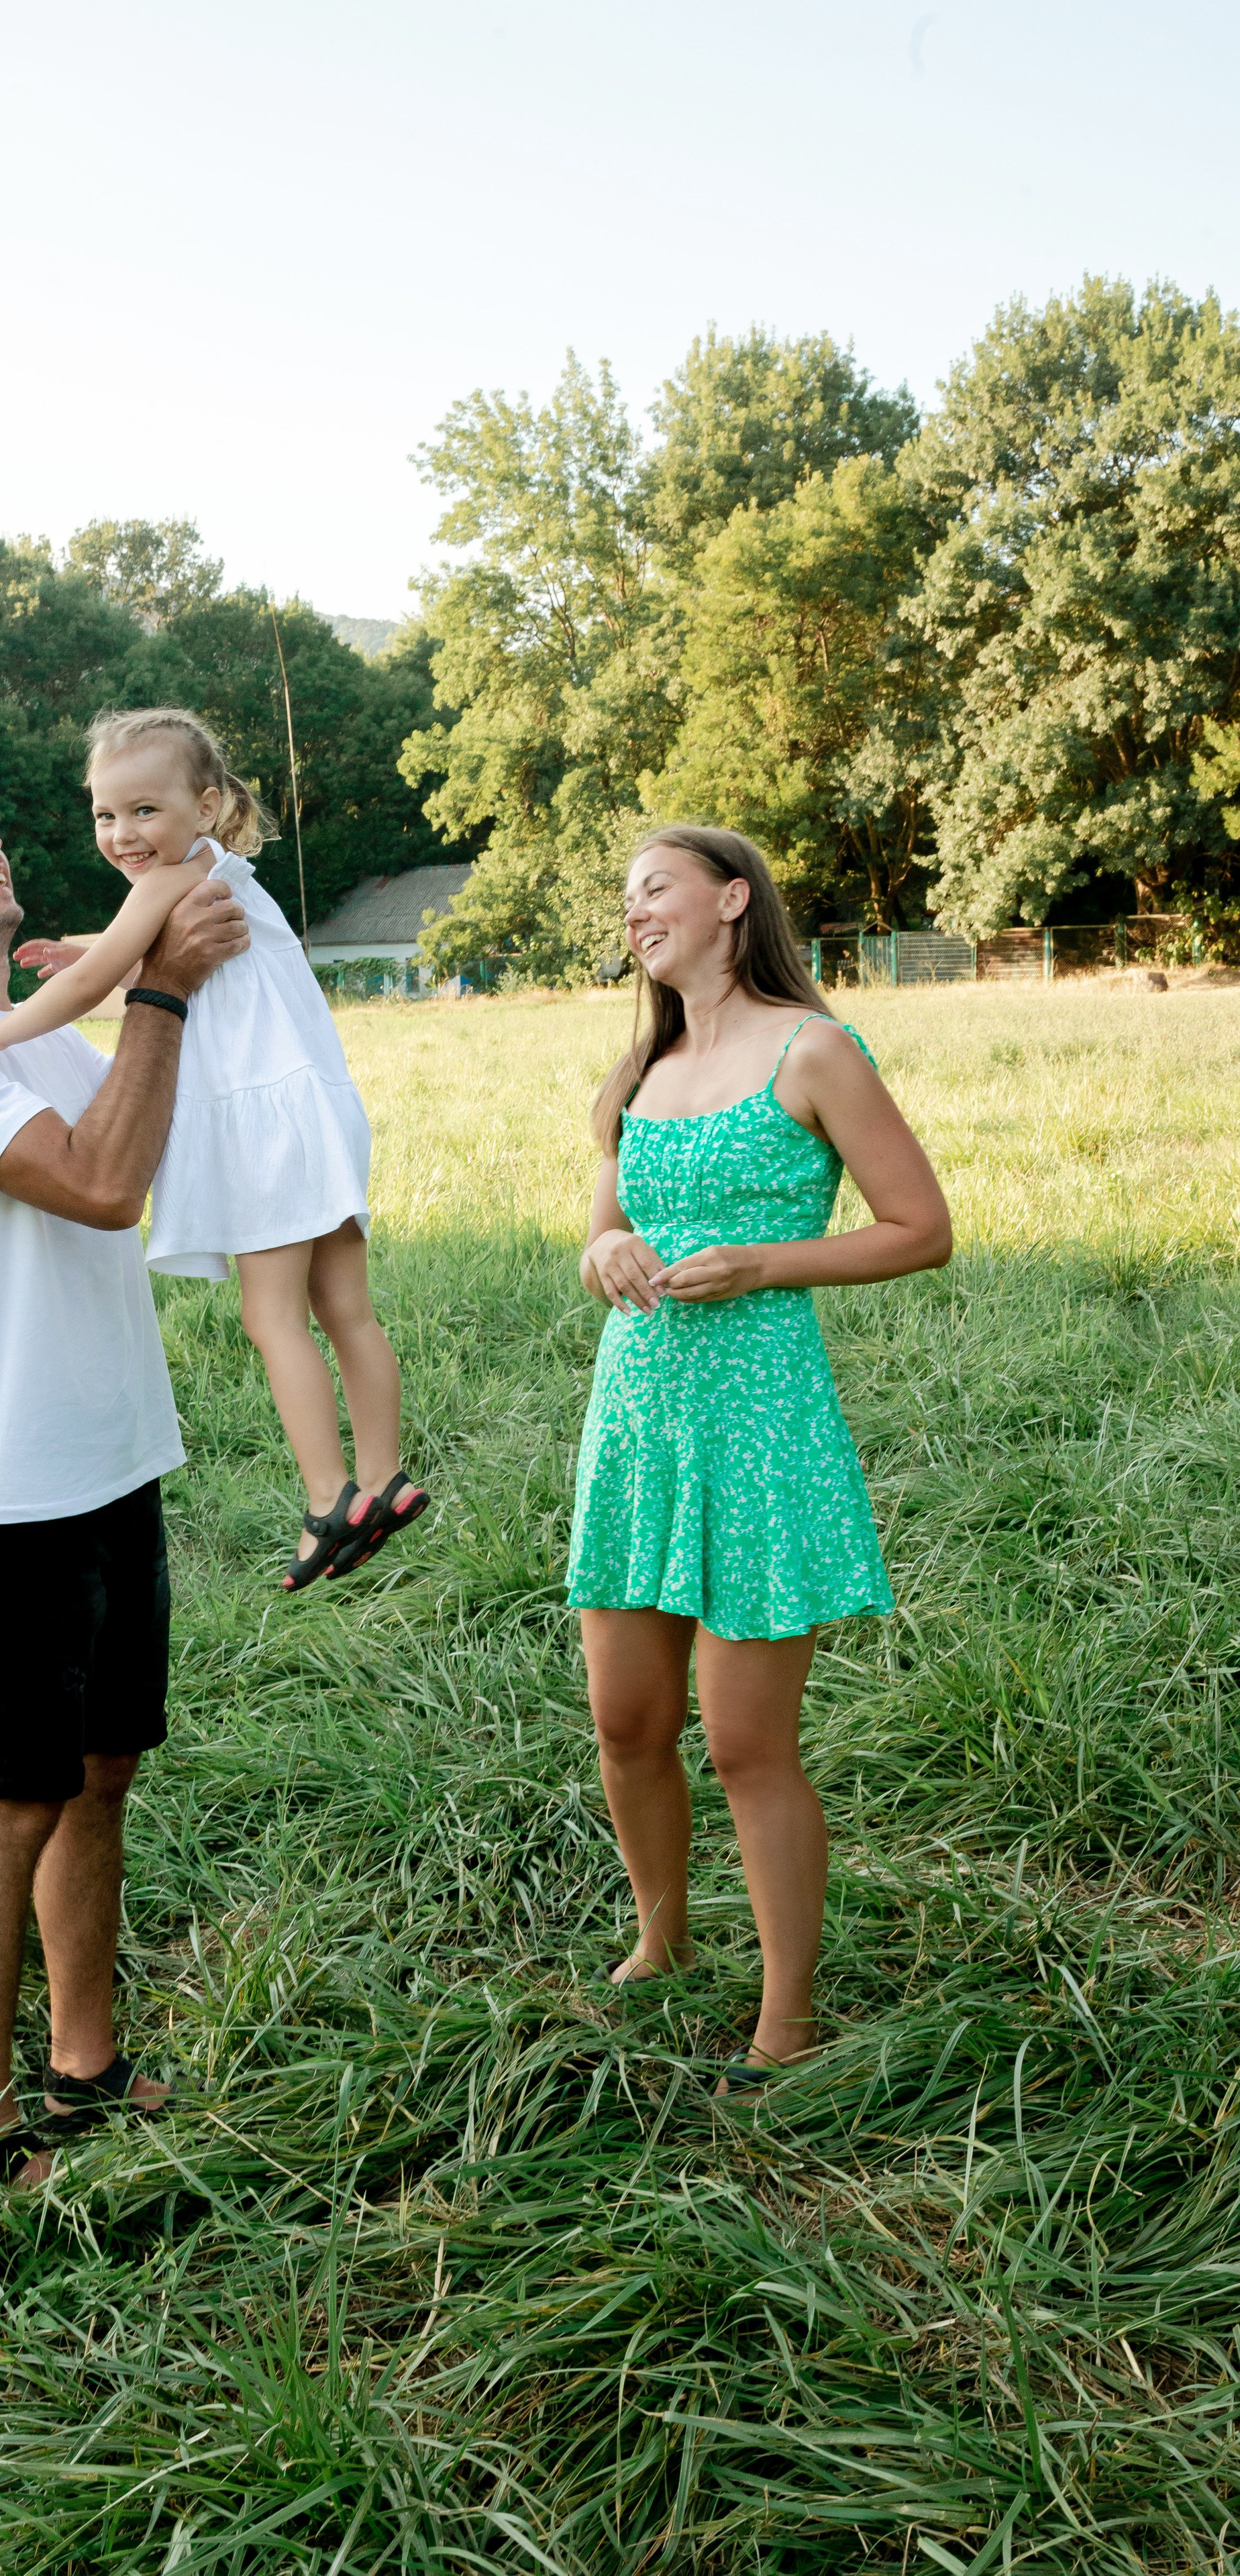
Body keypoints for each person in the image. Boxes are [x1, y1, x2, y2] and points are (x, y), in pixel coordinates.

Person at [0, 789, 249, 2187]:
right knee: (11, 1798)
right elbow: (99, 1185)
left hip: (116, 1455)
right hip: (13, 1486)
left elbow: (168, 1146)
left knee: (101, 1778)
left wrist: (170, 979)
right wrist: (160, 993)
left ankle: (84, 2063)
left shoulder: (39, 1040)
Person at [570, 825, 951, 2088]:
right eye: (626, 898)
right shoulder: (641, 1062)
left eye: (656, 889)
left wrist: (765, 1262)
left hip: (764, 1418)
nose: (636, 912)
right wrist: (602, 1253)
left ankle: (788, 2011)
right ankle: (662, 1938)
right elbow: (607, 1218)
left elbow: (921, 1229)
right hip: (638, 1415)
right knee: (626, 1722)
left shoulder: (815, 1050)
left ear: (733, 900)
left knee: (745, 1744)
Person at [0, 706, 427, 1592]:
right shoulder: (219, 870)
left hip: (259, 1122)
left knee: (271, 1316)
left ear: (204, 806)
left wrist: (0, 1033)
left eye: (144, 811)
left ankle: (329, 1499)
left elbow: (102, 981)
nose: (123, 834)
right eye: (105, 815)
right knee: (347, 1309)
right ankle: (386, 1478)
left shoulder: (164, 882)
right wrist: (88, 947)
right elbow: (147, 960)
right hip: (317, 1109)